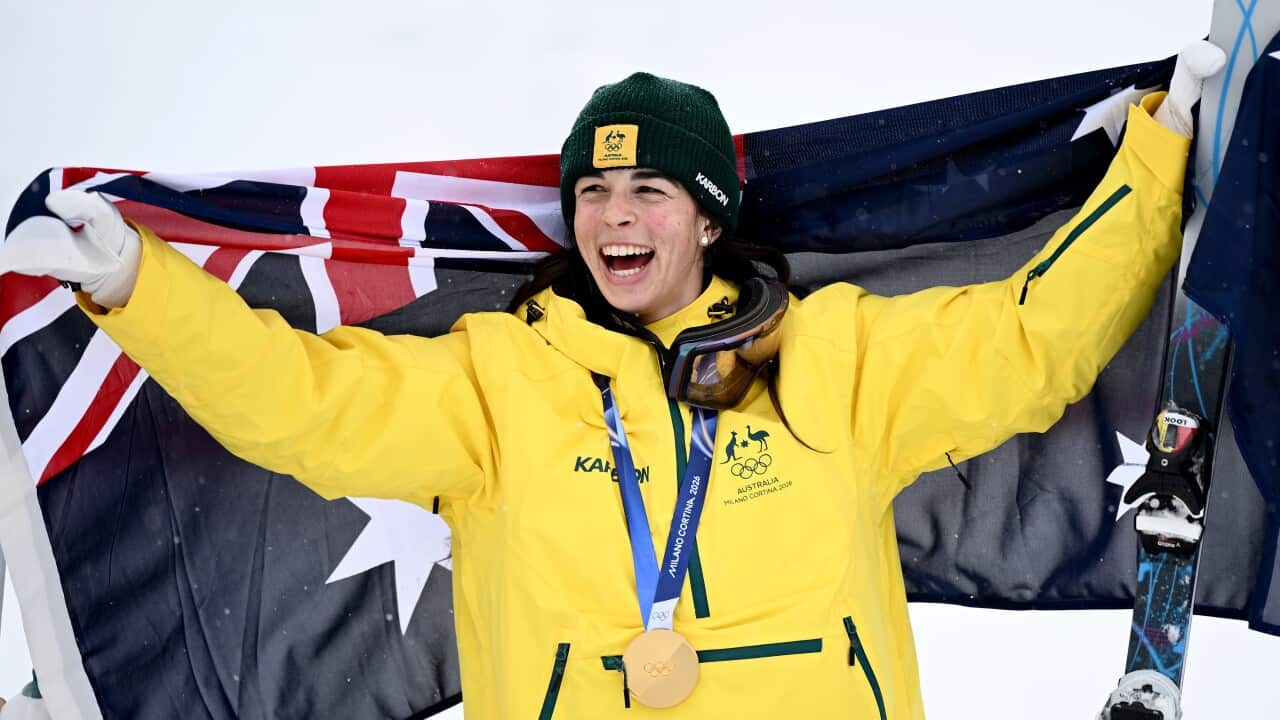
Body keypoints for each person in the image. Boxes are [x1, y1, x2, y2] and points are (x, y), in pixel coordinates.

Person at [0, 43, 1224, 719]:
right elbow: (300, 402)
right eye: (591, 191)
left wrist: (1162, 149)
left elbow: (1029, 341)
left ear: (706, 219)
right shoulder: (498, 384)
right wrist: (135, 286)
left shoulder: (836, 359)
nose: (613, 217)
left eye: (647, 192)